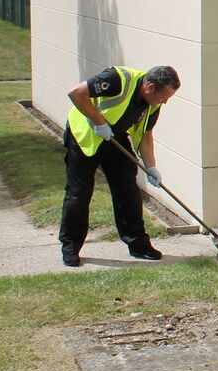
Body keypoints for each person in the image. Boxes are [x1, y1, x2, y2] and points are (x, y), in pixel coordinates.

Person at [59, 65, 180, 267]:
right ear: (150, 87)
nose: (165, 102)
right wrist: (98, 122)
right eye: (164, 97)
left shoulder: (153, 103)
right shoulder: (117, 79)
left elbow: (145, 135)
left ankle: (138, 244)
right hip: (86, 136)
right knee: (79, 193)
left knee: (128, 191)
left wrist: (151, 167)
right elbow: (76, 93)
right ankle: (70, 247)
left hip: (114, 138)